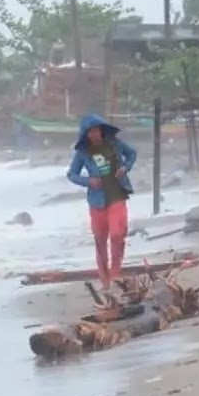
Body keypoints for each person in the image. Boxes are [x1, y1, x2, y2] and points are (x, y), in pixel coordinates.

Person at [66, 113, 138, 292]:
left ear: (102, 130)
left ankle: (115, 273)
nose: (94, 134)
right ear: (86, 134)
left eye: (97, 130)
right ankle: (105, 280)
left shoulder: (115, 144)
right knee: (100, 240)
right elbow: (71, 174)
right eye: (90, 132)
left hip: (117, 195)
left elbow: (132, 154)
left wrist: (126, 167)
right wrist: (88, 181)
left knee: (117, 234)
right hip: (97, 201)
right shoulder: (83, 153)